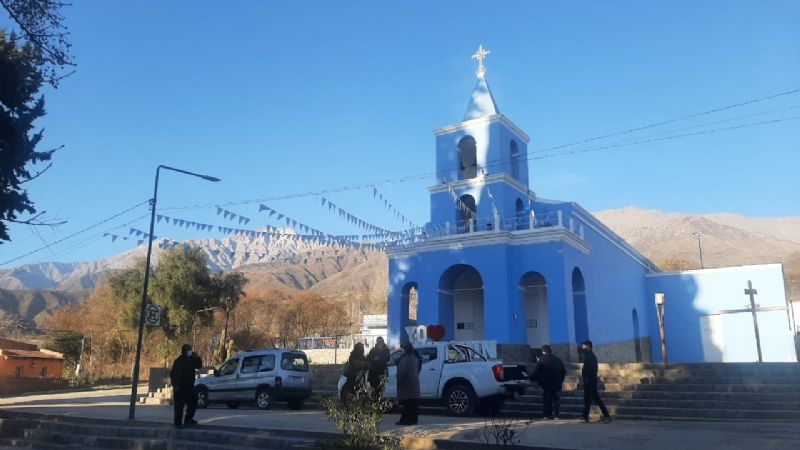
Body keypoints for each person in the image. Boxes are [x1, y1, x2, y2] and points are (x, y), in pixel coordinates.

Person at [170, 343, 203, 428]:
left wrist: (197, 356)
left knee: (193, 401)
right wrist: (176, 385)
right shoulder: (178, 361)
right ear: (184, 351)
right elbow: (174, 374)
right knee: (179, 406)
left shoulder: (192, 359)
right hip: (180, 386)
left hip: (189, 386)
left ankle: (188, 418)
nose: (190, 352)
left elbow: (199, 366)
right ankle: (178, 422)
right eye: (189, 350)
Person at [531, 344, 566, 420]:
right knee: (556, 399)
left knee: (547, 399)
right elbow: (563, 371)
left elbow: (536, 371)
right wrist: (561, 380)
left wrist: (530, 378)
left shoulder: (542, 360)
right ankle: (557, 415)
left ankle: (547, 415)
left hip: (547, 384)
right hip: (557, 383)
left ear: (543, 351)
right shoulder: (558, 359)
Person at [580, 340, 611, 423]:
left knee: (596, 399)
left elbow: (590, 370)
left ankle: (607, 416)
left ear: (588, 347)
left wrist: (587, 379)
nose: (582, 348)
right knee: (587, 400)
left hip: (590, 382)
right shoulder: (588, 356)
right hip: (589, 381)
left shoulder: (590, 357)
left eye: (583, 346)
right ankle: (585, 416)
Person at [395, 340, 420, 426]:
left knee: (407, 404)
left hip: (406, 384)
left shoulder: (405, 359)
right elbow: (418, 369)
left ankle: (405, 420)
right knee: (413, 404)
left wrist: (398, 380)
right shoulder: (414, 358)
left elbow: (402, 372)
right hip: (415, 383)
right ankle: (413, 420)